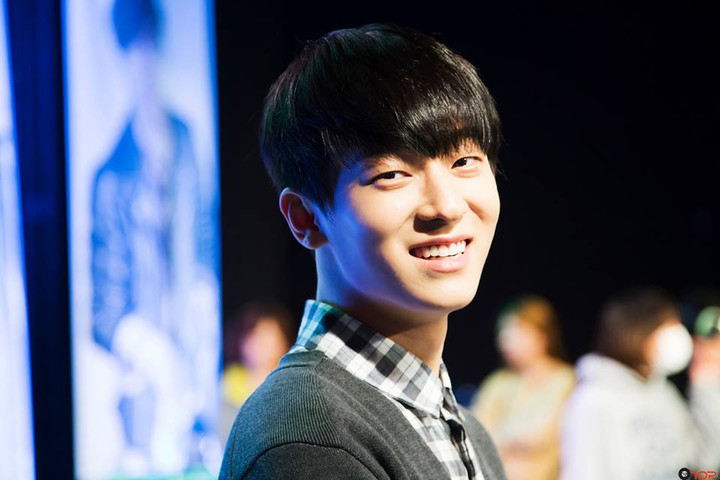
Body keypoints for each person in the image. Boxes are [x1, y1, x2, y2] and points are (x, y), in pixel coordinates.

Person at [220, 23, 507, 479]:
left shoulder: (466, 430)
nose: (448, 206)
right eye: (391, 174)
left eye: (464, 161)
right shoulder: (307, 438)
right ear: (306, 218)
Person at [90, 0, 220, 473]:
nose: (144, 68)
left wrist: (204, 293)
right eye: (135, 53)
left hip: (196, 356)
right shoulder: (109, 177)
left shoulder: (185, 142)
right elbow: (102, 311)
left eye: (150, 50)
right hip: (146, 385)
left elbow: (205, 235)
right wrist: (147, 348)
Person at [560, 288, 720, 479]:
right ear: (638, 332)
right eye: (668, 327)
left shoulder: (663, 392)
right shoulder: (594, 400)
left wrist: (706, 384)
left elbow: (703, 465)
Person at [471, 295, 574, 480]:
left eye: (516, 331)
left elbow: (553, 436)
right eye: (502, 333)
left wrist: (509, 442)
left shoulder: (567, 382)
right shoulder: (498, 383)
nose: (505, 340)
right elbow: (478, 436)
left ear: (542, 336)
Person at [218, 302, 296, 447]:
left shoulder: (291, 385)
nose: (260, 345)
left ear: (284, 342)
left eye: (268, 336)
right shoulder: (228, 382)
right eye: (254, 335)